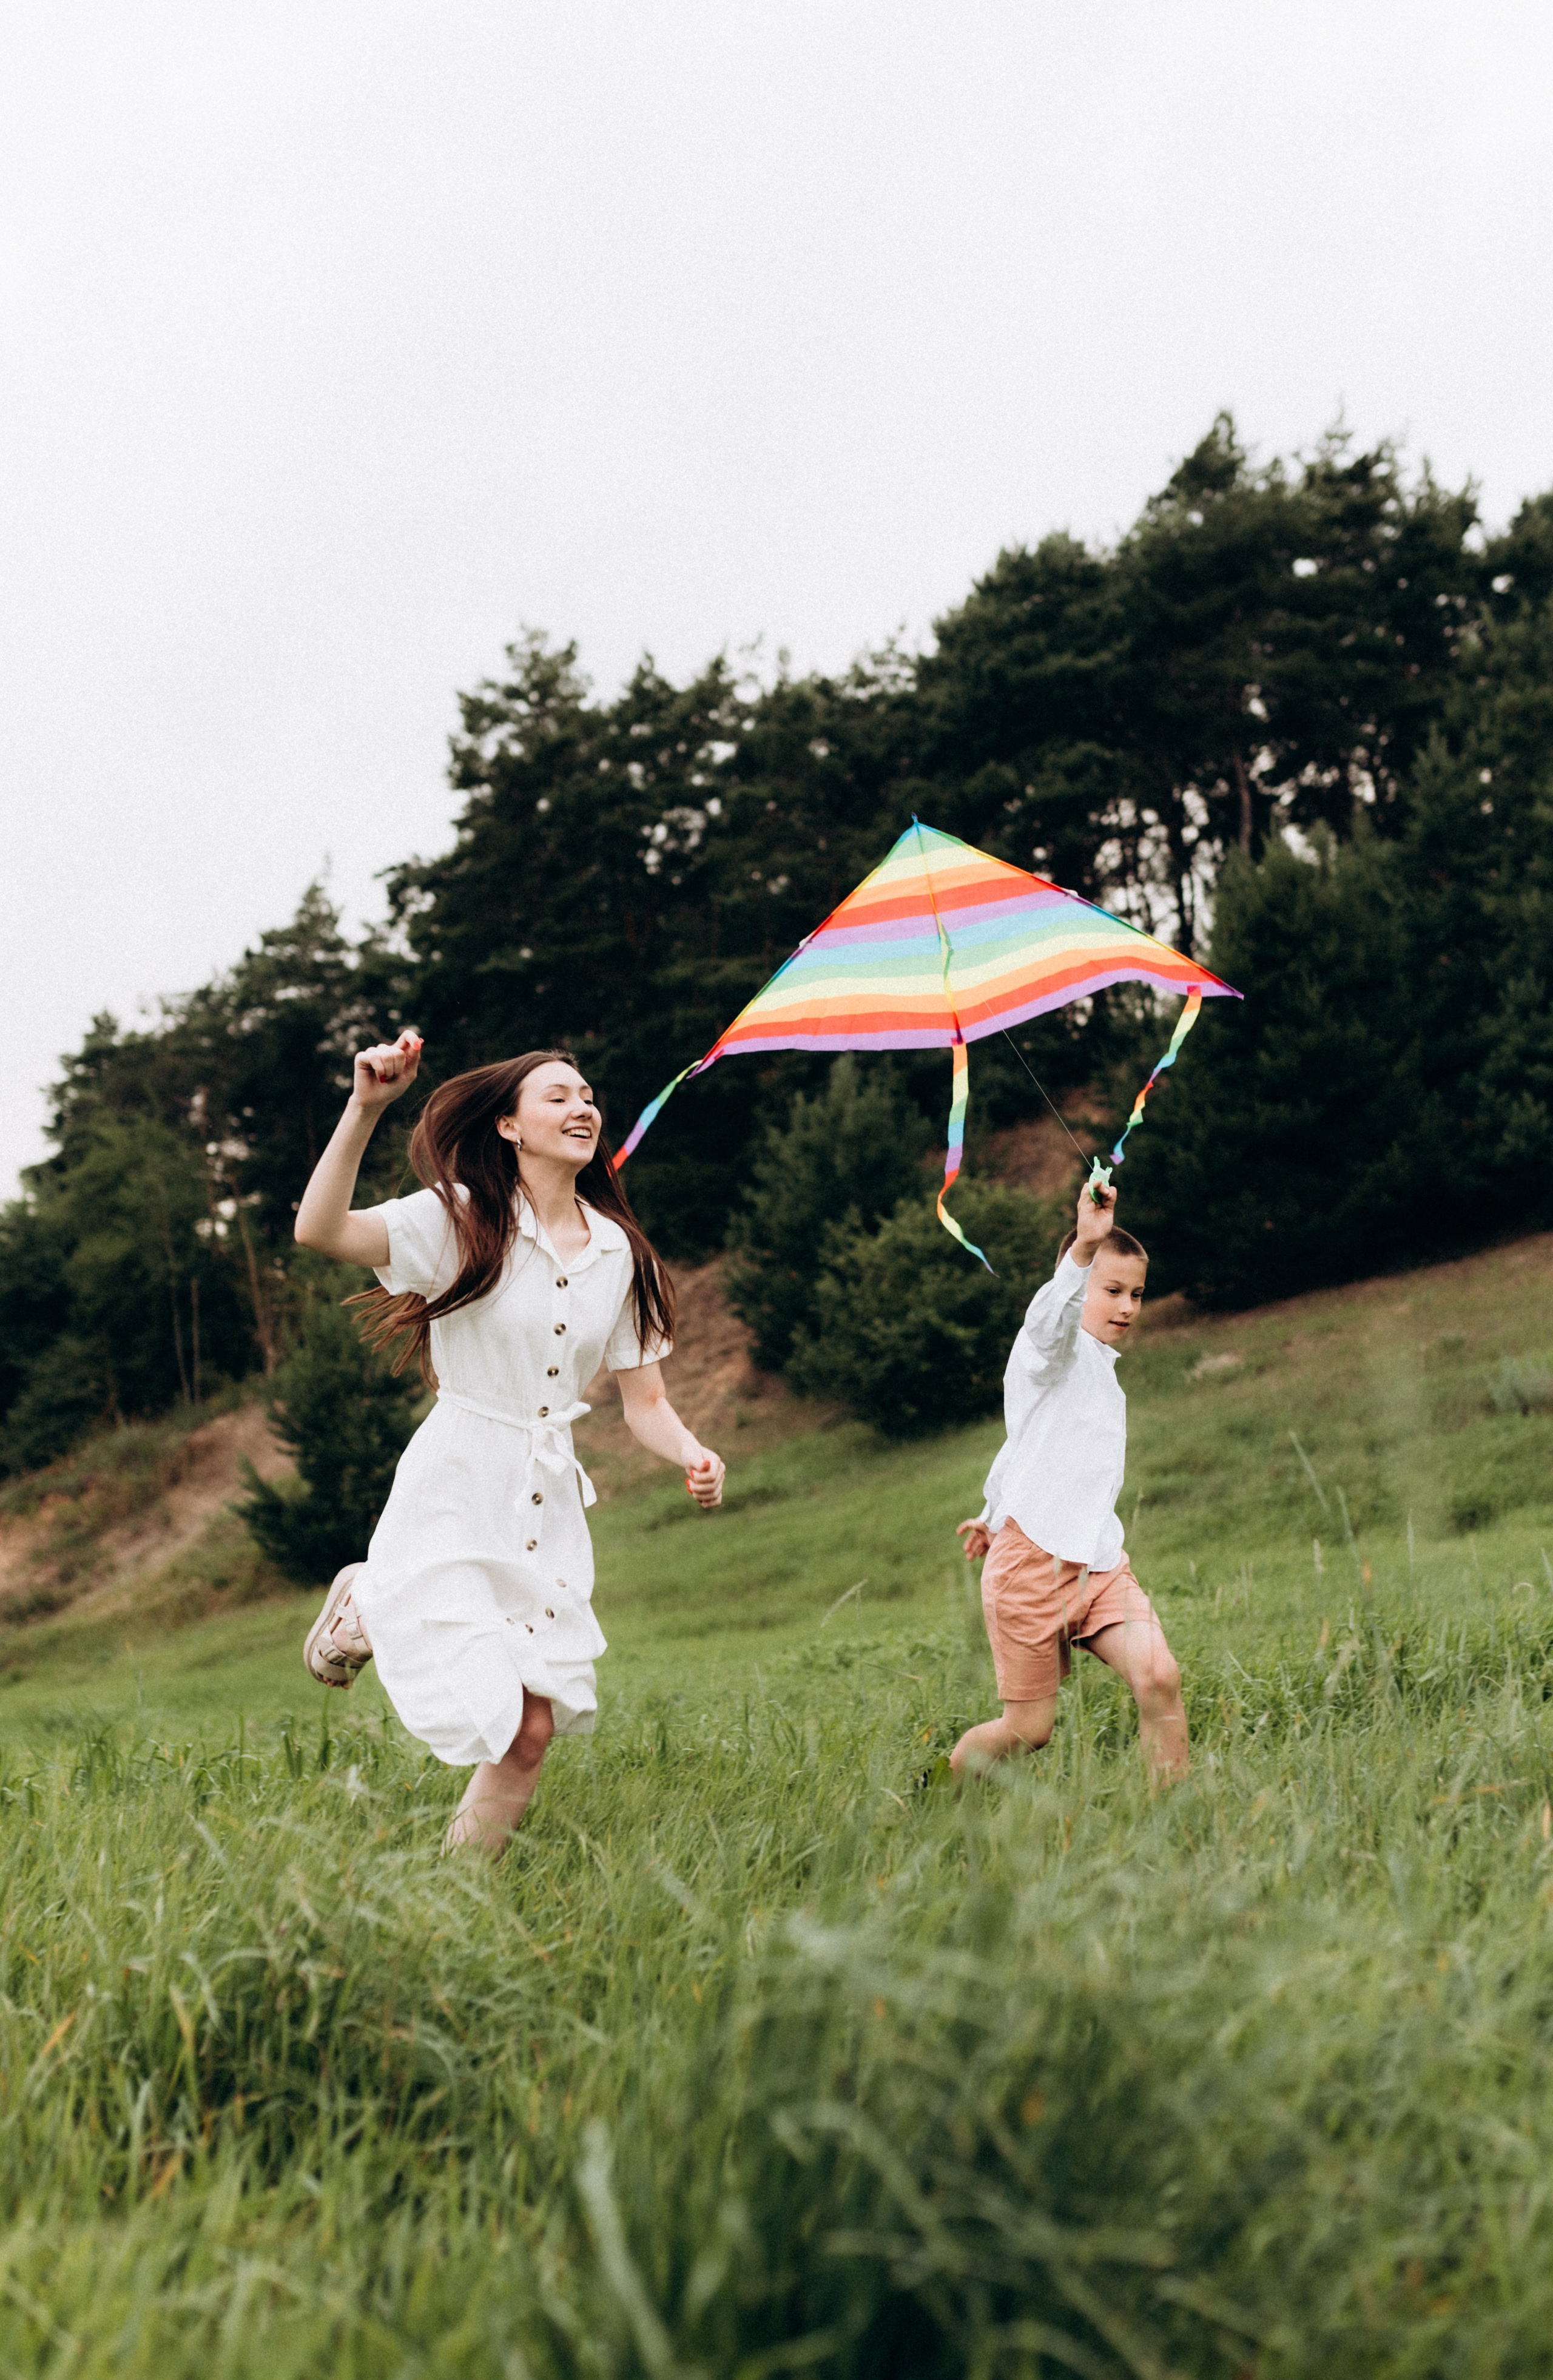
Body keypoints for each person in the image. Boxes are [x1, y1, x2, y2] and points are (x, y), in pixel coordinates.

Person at [293, 1031, 726, 1855]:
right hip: (457, 1479)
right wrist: (365, 1108)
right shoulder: (460, 1217)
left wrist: (692, 1455)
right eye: (557, 1095)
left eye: (588, 1094)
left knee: (530, 1730)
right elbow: (321, 1230)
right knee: (480, 1686)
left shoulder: (621, 1255)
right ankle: (376, 1600)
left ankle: (454, 1899)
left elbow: (647, 1400)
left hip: (545, 1502)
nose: (582, 1106)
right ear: (508, 1127)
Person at [949, 1176, 1188, 1782]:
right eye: (1111, 1289)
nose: (1128, 1305)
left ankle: (1176, 1820)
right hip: (1029, 1573)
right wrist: (1083, 1249)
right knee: (1028, 1731)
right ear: (1077, 1285)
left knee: (1159, 1675)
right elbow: (1047, 1323)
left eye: (1135, 1292)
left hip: (1099, 1564)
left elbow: (1027, 1447)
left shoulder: (1102, 1376)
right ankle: (942, 1796)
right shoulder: (1044, 1353)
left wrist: (989, 1509)